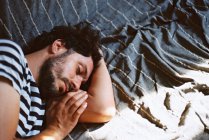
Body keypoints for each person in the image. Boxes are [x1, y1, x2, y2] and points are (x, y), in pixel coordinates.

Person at [0, 21, 116, 139]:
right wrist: (56, 131)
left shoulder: (47, 106)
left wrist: (98, 58)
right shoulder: (9, 55)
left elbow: (103, 109)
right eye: (78, 70)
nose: (76, 85)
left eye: (82, 83)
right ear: (58, 46)